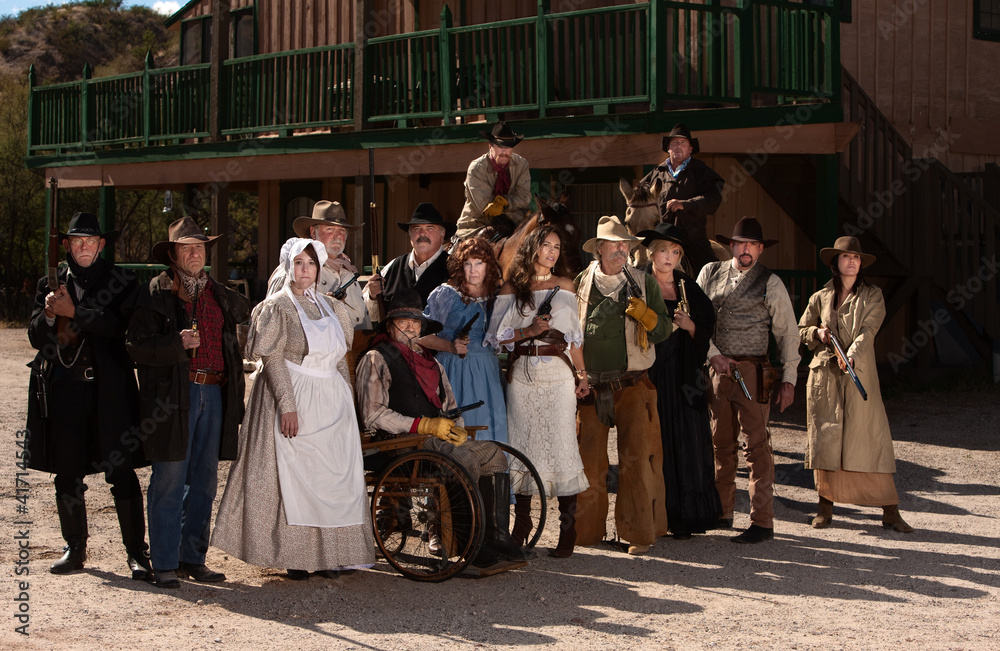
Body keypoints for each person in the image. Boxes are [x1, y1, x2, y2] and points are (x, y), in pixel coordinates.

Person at [213, 238, 375, 580]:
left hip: (331, 402)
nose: (305, 270)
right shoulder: (278, 307)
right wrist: (287, 404)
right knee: (294, 480)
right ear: (289, 266)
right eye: (299, 263)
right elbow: (271, 358)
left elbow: (339, 361)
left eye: (312, 264)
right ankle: (296, 556)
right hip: (294, 395)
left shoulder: (332, 307)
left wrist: (349, 403)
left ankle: (330, 555)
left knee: (330, 480)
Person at [355, 290, 524, 567]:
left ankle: (497, 537)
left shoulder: (430, 361)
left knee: (494, 455)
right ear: (389, 326)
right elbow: (372, 413)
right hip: (396, 445)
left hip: (430, 442)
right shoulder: (376, 357)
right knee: (464, 459)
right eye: (403, 322)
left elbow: (449, 405)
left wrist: (456, 427)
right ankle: (472, 545)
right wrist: (423, 424)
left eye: (415, 323)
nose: (410, 327)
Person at [25, 212, 151, 579]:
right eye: (76, 241)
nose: (83, 247)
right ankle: (75, 548)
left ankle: (137, 554)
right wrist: (50, 314)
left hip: (109, 390)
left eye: (90, 241)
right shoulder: (48, 283)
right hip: (65, 390)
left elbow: (118, 327)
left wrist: (75, 311)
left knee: (122, 471)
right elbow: (35, 337)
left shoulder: (123, 280)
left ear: (101, 245)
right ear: (66, 246)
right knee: (67, 473)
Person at [127, 216, 249, 588]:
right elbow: (135, 347)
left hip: (213, 392)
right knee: (168, 479)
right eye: (187, 247)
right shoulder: (155, 292)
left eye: (200, 247)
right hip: (172, 398)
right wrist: (174, 345)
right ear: (173, 253)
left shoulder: (219, 294)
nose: (195, 253)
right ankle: (163, 562)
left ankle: (192, 558)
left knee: (204, 482)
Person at [798, 236, 914, 533]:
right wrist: (819, 335)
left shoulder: (872, 295)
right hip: (824, 375)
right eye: (846, 257)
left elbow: (868, 329)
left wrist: (849, 356)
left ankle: (890, 510)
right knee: (826, 441)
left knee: (870, 438)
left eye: (857, 258)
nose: (852, 261)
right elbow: (802, 329)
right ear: (835, 262)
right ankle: (825, 508)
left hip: (857, 371)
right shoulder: (820, 296)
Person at [696, 216, 800, 544]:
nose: (746, 250)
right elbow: (696, 320)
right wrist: (712, 354)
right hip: (717, 369)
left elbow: (788, 334)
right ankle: (722, 513)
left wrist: (790, 379)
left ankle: (762, 521)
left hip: (752, 373)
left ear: (761, 249)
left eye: (753, 245)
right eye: (741, 243)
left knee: (756, 446)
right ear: (731, 245)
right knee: (720, 444)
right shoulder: (709, 273)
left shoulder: (771, 283)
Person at [488, 224, 590, 558]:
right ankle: (523, 524)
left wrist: (582, 375)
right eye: (545, 245)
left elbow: (574, 338)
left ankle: (567, 527)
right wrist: (527, 331)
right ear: (532, 247)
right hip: (522, 375)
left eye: (557, 247)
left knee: (561, 446)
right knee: (523, 445)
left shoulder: (565, 286)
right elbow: (496, 337)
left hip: (558, 376)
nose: (551, 252)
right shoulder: (511, 288)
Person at [574, 215, 672, 556]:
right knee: (588, 462)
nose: (621, 250)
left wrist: (647, 315)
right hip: (591, 389)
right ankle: (585, 532)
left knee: (635, 461)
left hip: (633, 385)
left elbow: (664, 331)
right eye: (614, 245)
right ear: (599, 249)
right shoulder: (580, 282)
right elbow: (571, 335)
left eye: (625, 245)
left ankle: (638, 534)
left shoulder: (645, 284)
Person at [636, 223, 722, 539]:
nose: (669, 257)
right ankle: (659, 516)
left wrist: (691, 326)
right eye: (663, 250)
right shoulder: (640, 285)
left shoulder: (688, 286)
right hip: (653, 374)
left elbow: (708, 326)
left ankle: (687, 517)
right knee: (655, 443)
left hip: (686, 377)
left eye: (675, 252)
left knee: (689, 442)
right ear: (652, 253)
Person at [420, 237, 508, 444]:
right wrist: (449, 346)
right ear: (460, 267)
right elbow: (420, 336)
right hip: (455, 369)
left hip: (488, 370)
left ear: (488, 266)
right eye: (467, 264)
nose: (473, 270)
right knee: (461, 428)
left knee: (490, 425)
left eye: (479, 263)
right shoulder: (446, 295)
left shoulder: (496, 296)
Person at [266, 200, 370, 329]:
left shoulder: (348, 271)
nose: (337, 235)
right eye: (329, 229)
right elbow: (275, 318)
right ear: (313, 233)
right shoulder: (293, 269)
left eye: (342, 230)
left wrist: (372, 297)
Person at [641, 123, 724, 275]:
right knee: (641, 271)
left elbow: (713, 199)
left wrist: (686, 205)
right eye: (674, 143)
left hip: (692, 236)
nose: (678, 146)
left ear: (690, 149)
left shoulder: (701, 171)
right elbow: (640, 198)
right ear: (668, 148)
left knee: (708, 274)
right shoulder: (656, 173)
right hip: (662, 235)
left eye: (683, 143)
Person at [363, 203, 456, 323]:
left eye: (430, 228)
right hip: (394, 341)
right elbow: (368, 315)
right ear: (410, 234)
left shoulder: (455, 269)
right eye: (416, 228)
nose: (422, 233)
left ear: (442, 234)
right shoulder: (392, 267)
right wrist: (372, 295)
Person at [455, 121, 532, 240]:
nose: (504, 152)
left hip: (515, 222)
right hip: (478, 224)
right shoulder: (477, 168)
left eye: (508, 147)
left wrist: (505, 203)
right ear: (490, 146)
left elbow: (525, 197)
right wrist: (512, 204)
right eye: (500, 147)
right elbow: (485, 207)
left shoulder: (522, 164)